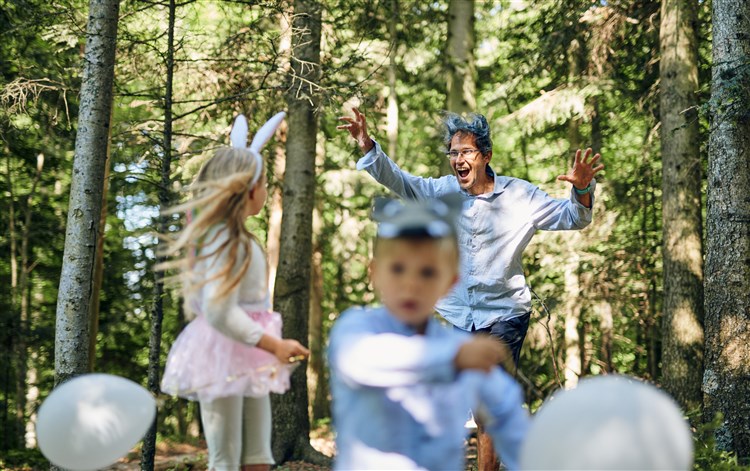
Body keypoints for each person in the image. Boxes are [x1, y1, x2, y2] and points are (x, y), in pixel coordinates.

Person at [338, 107, 603, 470]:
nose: (457, 160)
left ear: (486, 156)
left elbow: (574, 217)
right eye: (453, 153)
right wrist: (366, 143)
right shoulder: (442, 192)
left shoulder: (519, 196)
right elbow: (398, 180)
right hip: (460, 314)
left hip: (506, 313)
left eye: (465, 152)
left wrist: (583, 188)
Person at [327, 195, 530, 471]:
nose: (411, 285)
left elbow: (505, 411)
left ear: (450, 282)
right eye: (398, 269)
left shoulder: (457, 347)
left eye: (427, 272)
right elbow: (363, 361)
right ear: (374, 273)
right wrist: (454, 358)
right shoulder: (356, 328)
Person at [159, 112, 310, 471]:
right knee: (225, 459)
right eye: (263, 182)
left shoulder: (241, 238)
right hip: (222, 353)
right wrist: (274, 345)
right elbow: (219, 311)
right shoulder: (224, 240)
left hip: (250, 354)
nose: (266, 190)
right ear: (247, 188)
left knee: (257, 457)